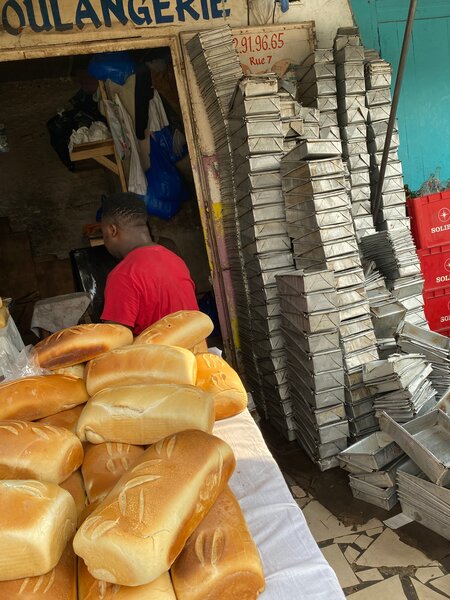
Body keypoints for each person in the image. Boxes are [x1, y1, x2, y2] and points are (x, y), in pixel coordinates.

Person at [100, 192, 198, 335]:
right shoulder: (174, 259)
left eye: (104, 235)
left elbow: (114, 340)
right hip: (195, 347)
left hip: (160, 350)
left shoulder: (123, 275)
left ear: (112, 230)